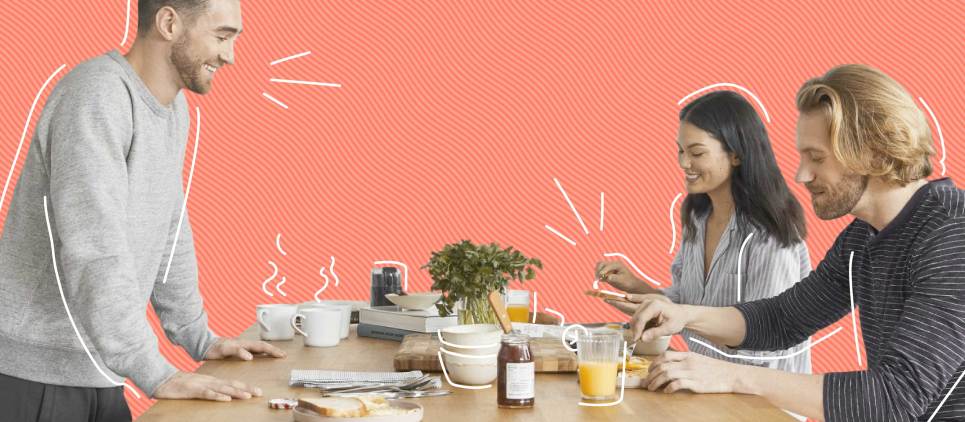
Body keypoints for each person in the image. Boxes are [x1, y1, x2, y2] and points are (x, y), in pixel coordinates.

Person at [0, 1, 285, 421]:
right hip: (40, 378)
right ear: (169, 23)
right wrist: (155, 372)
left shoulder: (173, 109)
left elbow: (169, 228)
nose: (230, 55)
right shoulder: (96, 95)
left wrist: (197, 337)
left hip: (103, 371)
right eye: (222, 36)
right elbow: (95, 246)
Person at [630, 64, 964, 421]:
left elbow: (893, 398)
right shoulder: (863, 236)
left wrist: (733, 375)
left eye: (817, 157)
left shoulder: (952, 236)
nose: (802, 175)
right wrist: (684, 316)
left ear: (874, 152)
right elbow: (784, 319)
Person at [595, 91, 812, 376]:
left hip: (763, 401)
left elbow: (766, 342)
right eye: (681, 151)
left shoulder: (768, 233)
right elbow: (685, 305)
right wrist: (635, 288)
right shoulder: (698, 218)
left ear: (736, 154)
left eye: (696, 153)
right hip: (707, 385)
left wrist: (690, 358)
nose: (684, 163)